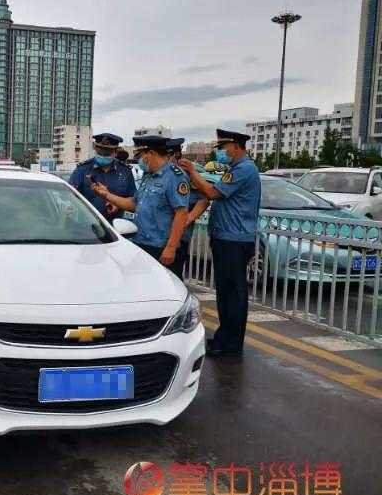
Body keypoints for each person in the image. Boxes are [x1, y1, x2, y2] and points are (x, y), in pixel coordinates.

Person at [178, 129, 261, 358]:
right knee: (225, 292)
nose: (222, 153)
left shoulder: (244, 169)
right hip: (226, 237)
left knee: (233, 293)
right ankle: (224, 337)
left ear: (235, 146)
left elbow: (212, 193)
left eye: (224, 148)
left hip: (234, 239)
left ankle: (231, 344)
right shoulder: (236, 169)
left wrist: (193, 172)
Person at [91, 135, 189, 279]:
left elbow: (181, 213)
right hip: (142, 243)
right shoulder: (148, 175)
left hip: (161, 247)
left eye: (140, 155)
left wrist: (171, 247)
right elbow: (134, 204)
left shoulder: (175, 177)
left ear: (151, 153)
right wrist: (106, 194)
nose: (139, 160)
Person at [69, 132, 136, 221]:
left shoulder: (125, 171)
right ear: (95, 149)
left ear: (115, 152)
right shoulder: (82, 169)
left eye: (107, 154)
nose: (103, 156)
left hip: (117, 226)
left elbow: (133, 201)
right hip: (89, 225)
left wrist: (118, 205)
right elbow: (71, 196)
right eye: (100, 153)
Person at [167, 138, 210, 275]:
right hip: (159, 235)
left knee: (174, 277)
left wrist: (189, 218)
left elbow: (204, 199)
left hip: (179, 237)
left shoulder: (185, 174)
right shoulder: (159, 173)